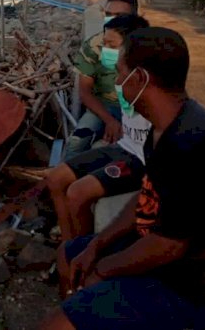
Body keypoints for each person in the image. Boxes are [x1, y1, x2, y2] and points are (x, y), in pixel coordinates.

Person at [44, 27, 205, 330]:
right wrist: (96, 246)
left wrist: (104, 269)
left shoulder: (187, 142)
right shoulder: (167, 124)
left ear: (141, 78)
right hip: (179, 254)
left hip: (204, 287)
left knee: (56, 325)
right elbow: (148, 196)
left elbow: (168, 246)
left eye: (122, 74)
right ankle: (82, 310)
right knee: (70, 255)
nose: (118, 83)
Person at [47, 14, 151, 242]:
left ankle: (84, 251)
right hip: (125, 147)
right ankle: (68, 246)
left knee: (77, 192)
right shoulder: (122, 77)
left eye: (110, 45)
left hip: (141, 159)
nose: (104, 50)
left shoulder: (150, 83)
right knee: (56, 178)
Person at [67, 0, 139, 159]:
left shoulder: (147, 45)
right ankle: (63, 179)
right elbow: (85, 91)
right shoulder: (94, 45)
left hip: (138, 110)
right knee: (76, 142)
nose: (112, 19)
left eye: (120, 15)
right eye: (108, 14)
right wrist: (109, 120)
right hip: (103, 107)